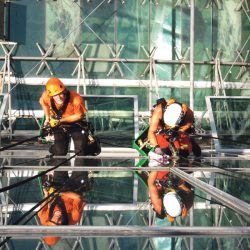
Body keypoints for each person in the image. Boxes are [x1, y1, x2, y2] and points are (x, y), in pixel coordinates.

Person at [39, 77, 89, 188]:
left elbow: (79, 115)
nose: (58, 97)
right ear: (51, 95)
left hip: (75, 123)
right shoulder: (46, 96)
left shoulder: (75, 98)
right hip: (59, 124)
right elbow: (43, 103)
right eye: (55, 95)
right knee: (60, 152)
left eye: (61, 94)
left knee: (80, 151)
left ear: (64, 91)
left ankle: (78, 178)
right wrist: (47, 117)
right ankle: (59, 177)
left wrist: (60, 120)